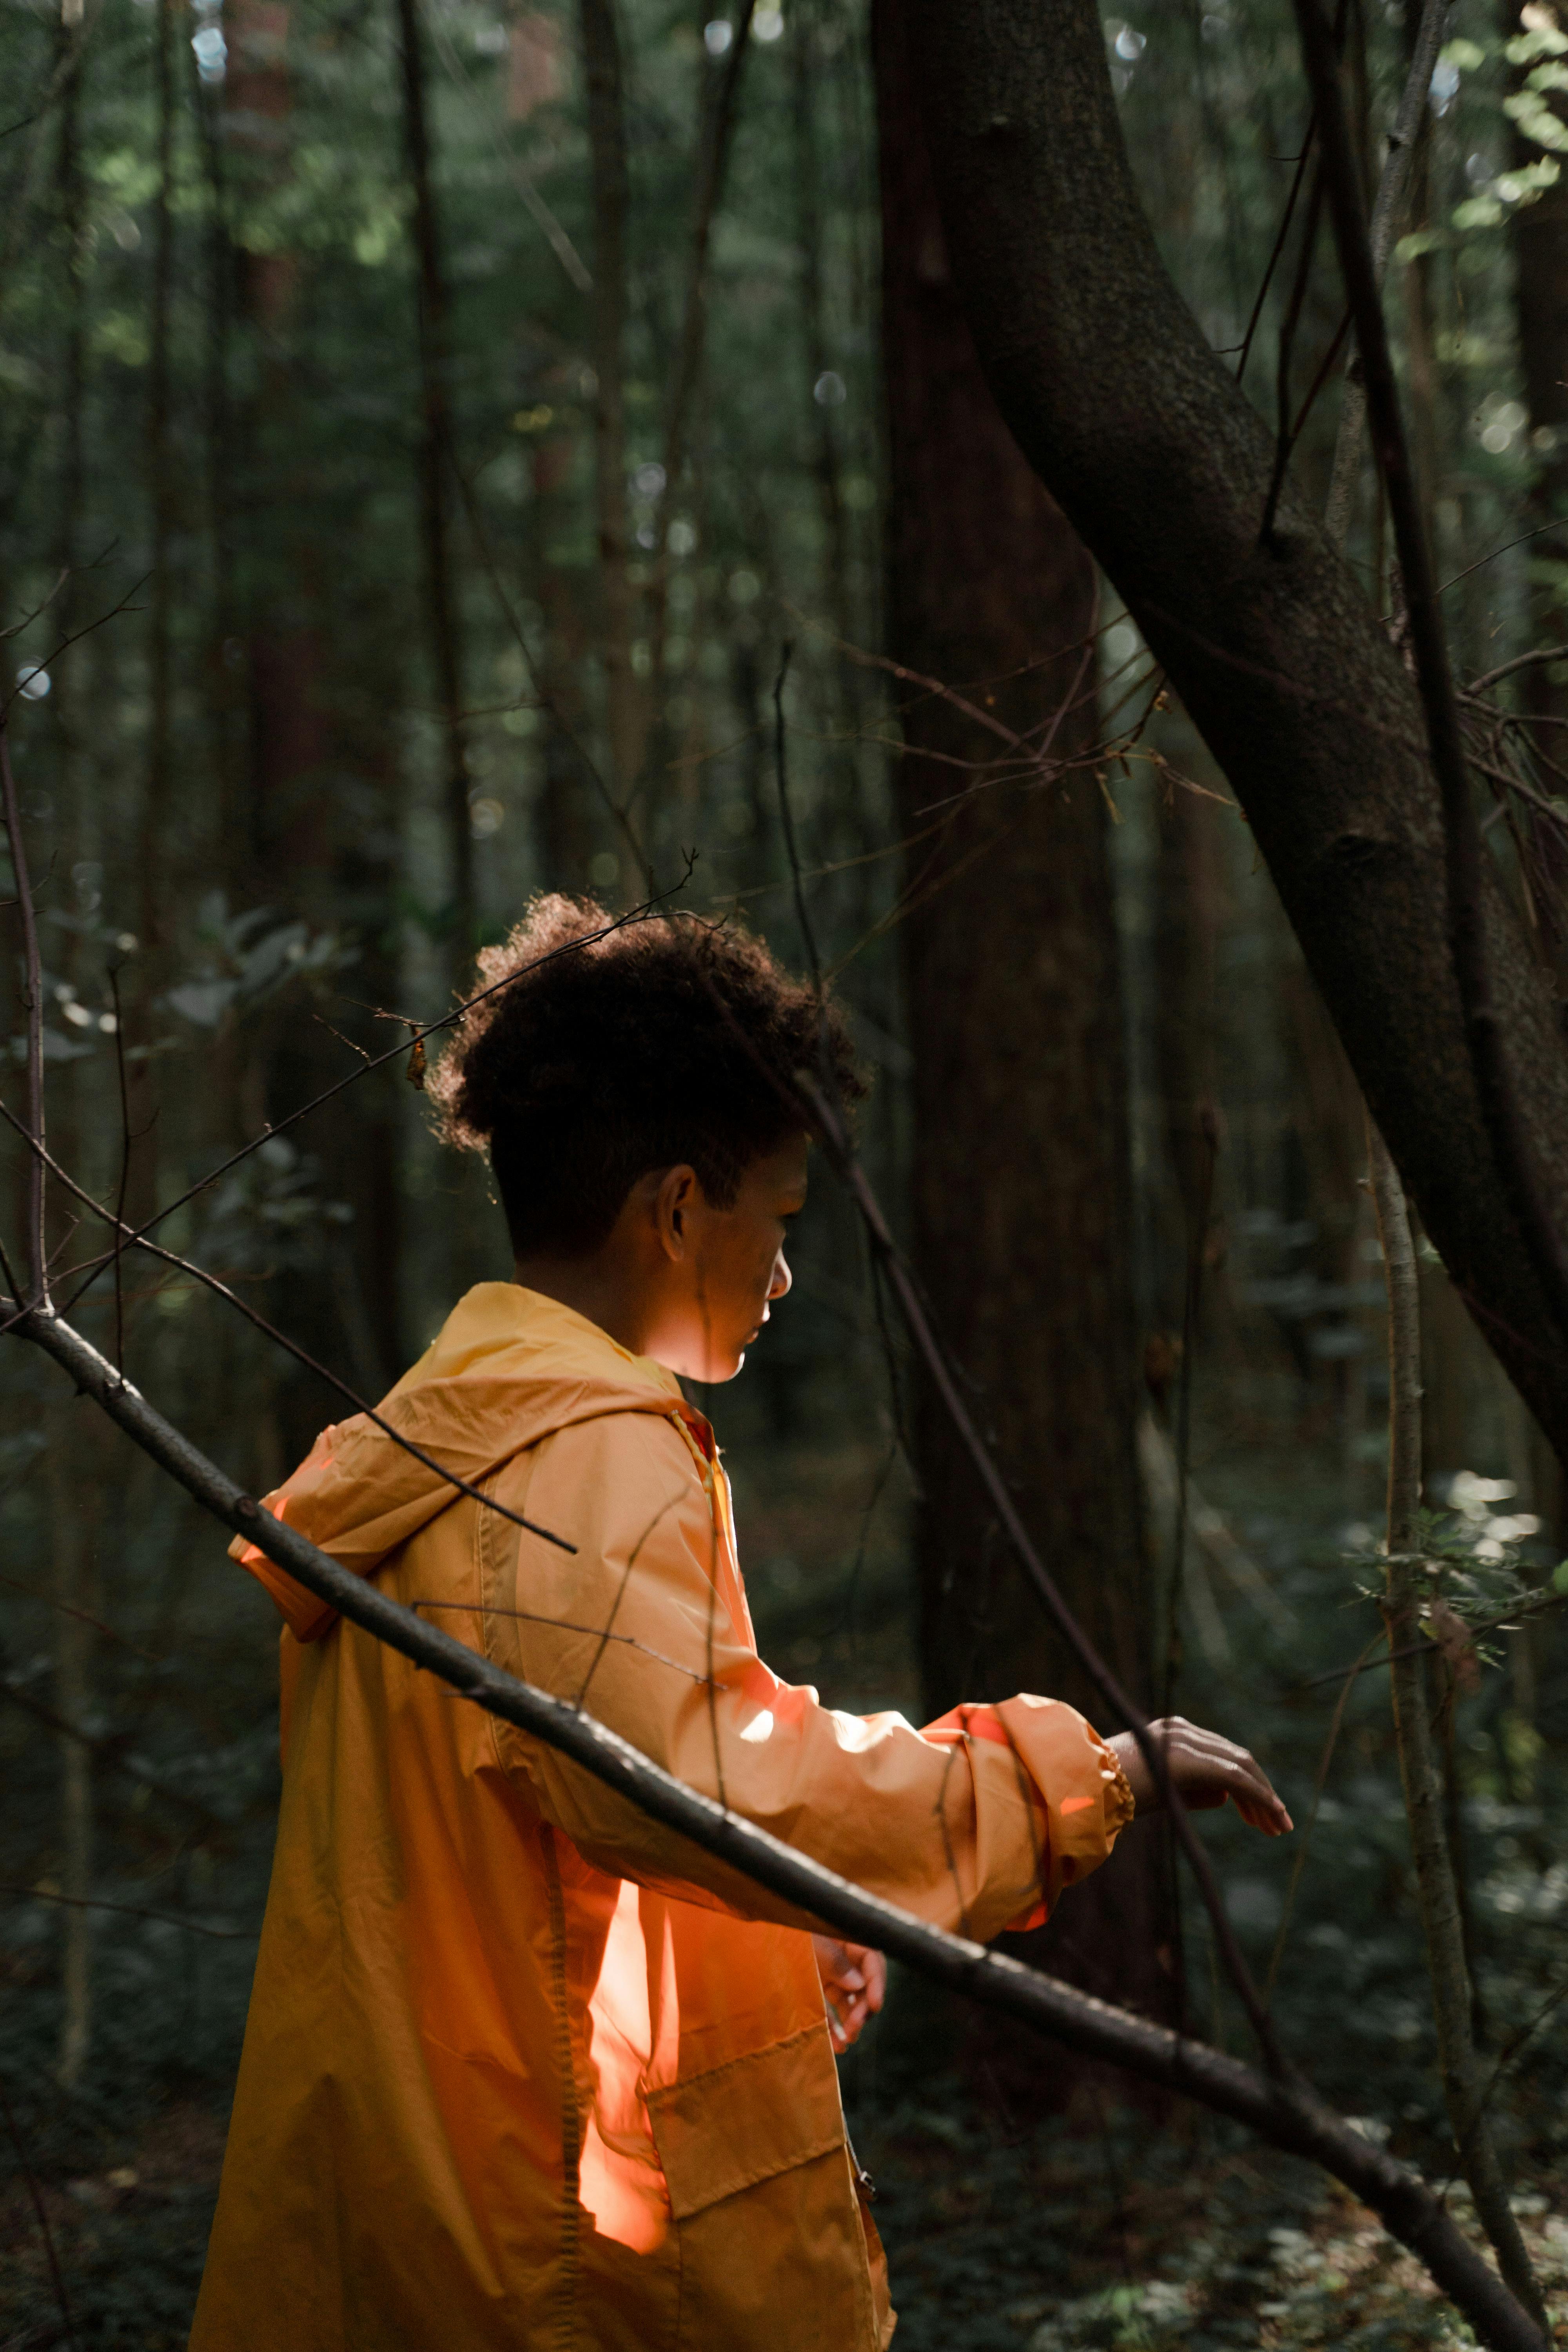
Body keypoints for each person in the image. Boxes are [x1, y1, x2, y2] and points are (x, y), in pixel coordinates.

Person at [190, 897, 1289, 2352]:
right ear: (679, 1206)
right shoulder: (590, 1458)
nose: (782, 1276)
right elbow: (709, 1790)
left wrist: (779, 1937)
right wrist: (1082, 1777)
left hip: (417, 2210)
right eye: (778, 1219)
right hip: (537, 2266)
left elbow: (541, 1828)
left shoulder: (456, 1439)